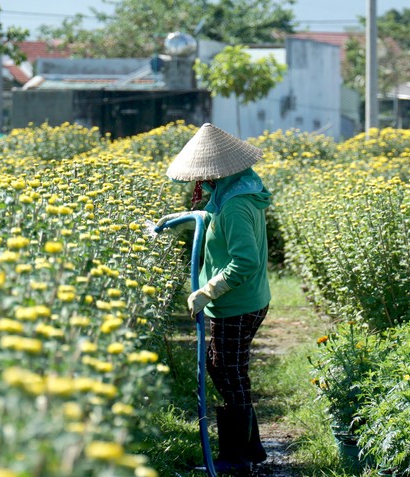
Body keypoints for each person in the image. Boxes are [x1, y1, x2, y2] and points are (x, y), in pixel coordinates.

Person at [157, 123, 271, 472]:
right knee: (222, 367)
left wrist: (207, 292)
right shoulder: (236, 188)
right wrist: (189, 218)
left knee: (229, 372)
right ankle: (250, 449)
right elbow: (216, 215)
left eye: (203, 174)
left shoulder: (236, 205)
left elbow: (245, 261)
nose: (200, 180)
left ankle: (238, 457)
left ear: (216, 171)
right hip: (243, 300)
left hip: (237, 303)